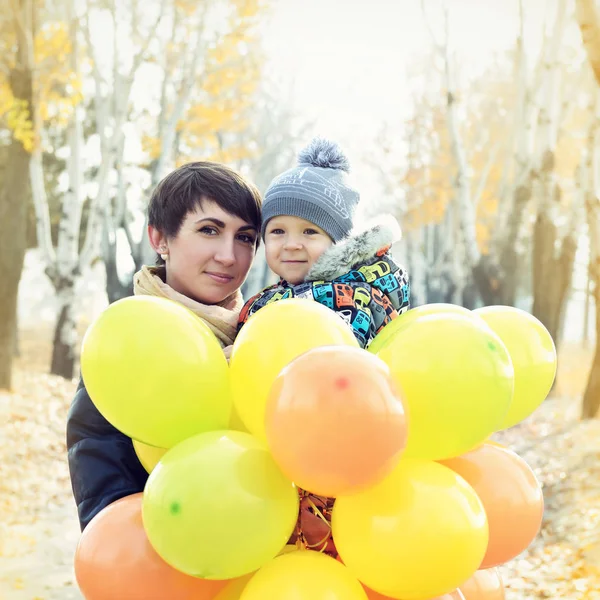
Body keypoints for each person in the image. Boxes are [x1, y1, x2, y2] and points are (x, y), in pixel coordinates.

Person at [66, 161, 262, 531]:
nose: (229, 256)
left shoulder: (264, 332)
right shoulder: (128, 343)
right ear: (160, 240)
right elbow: (106, 499)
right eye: (209, 230)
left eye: (246, 238)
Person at [237, 137, 410, 349]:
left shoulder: (353, 298)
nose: (291, 244)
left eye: (309, 231)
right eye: (278, 231)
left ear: (340, 243)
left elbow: (327, 353)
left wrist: (248, 350)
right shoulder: (288, 290)